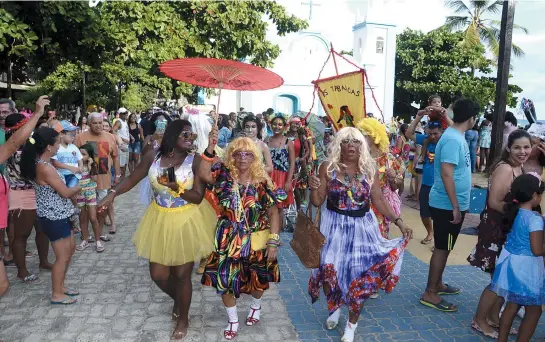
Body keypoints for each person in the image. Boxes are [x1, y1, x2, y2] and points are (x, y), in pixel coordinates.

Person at [97, 120, 217, 339]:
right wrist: (112, 193)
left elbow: (198, 198)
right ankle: (178, 300)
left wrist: (177, 188)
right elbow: (132, 178)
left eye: (192, 134)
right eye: (185, 134)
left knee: (182, 275)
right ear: (172, 135)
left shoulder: (195, 160)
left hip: (186, 219)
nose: (190, 137)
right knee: (158, 275)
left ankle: (183, 318)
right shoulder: (154, 157)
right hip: (159, 218)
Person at [307, 127, 413, 342]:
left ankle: (351, 326)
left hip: (362, 230)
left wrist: (399, 222)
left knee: (359, 278)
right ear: (339, 145)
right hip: (333, 228)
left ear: (362, 146)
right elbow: (317, 202)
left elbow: (379, 201)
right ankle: (334, 307)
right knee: (329, 272)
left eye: (355, 142)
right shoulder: (328, 168)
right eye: (346, 141)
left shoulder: (369, 169)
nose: (351, 146)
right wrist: (313, 187)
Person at [199, 136, 287, 341]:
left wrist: (273, 240)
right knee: (225, 279)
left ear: (255, 157)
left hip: (257, 235)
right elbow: (204, 174)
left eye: (248, 154)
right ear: (231, 156)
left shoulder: (262, 180)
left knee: (258, 279)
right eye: (238, 153)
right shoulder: (224, 176)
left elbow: (274, 212)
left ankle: (256, 307)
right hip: (228, 236)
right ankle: (233, 320)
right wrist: (210, 149)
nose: (243, 158)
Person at [468, 129, 531, 338]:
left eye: (526, 147)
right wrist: (523, 212)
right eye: (517, 147)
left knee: (505, 277)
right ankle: (479, 319)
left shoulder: (519, 167)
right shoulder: (505, 168)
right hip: (497, 229)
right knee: (498, 279)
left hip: (508, 228)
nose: (522, 151)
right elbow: (494, 202)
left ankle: (494, 318)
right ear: (508, 148)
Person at [420, 98, 479, 312]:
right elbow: (446, 174)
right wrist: (455, 205)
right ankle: (430, 292)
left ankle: (438, 284)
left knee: (446, 245)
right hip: (447, 205)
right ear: (472, 118)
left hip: (452, 204)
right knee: (442, 248)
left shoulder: (456, 135)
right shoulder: (453, 139)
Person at [20, 127, 80, 304]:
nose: (59, 146)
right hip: (53, 216)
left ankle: (61, 286)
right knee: (62, 256)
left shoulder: (44, 163)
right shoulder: (44, 168)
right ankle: (56, 293)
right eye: (56, 142)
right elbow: (66, 193)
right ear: (48, 146)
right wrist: (78, 186)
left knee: (69, 250)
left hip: (60, 213)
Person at [0, 95, 50, 297]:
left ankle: (44, 261)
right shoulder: (15, 149)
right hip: (21, 194)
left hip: (36, 192)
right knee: (21, 234)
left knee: (42, 229)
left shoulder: (28, 145)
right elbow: (29, 168)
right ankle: (21, 270)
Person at [490, 173, 545, 342]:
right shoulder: (535, 219)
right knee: (534, 310)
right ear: (535, 196)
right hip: (527, 268)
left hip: (511, 265)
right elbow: (537, 250)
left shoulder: (514, 212)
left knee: (512, 305)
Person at [75, 112, 120, 250]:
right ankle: (85, 236)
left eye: (100, 123)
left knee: (102, 209)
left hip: (104, 180)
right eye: (95, 123)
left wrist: (117, 175)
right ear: (89, 124)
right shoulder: (80, 137)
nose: (98, 125)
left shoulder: (110, 137)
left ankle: (98, 234)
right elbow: (75, 158)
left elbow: (115, 157)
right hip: (85, 182)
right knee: (84, 211)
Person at [357, 118, 405, 238]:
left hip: (378, 209)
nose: (360, 139)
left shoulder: (387, 159)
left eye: (364, 135)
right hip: (357, 208)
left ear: (375, 137)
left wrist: (394, 178)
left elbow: (398, 186)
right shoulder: (356, 158)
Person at [405, 118, 447, 245]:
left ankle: (440, 243)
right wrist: (418, 116)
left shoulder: (447, 141)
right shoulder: (425, 140)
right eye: (430, 134)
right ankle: (430, 233)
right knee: (424, 212)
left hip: (442, 185)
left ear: (442, 132)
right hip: (426, 184)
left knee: (441, 216)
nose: (433, 136)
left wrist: (444, 115)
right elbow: (408, 134)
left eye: (436, 134)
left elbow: (457, 131)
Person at [267, 115, 296, 230]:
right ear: (270, 125)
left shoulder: (288, 142)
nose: (277, 127)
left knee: (279, 207)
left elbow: (292, 162)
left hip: (281, 178)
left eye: (280, 124)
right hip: (268, 177)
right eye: (275, 124)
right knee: (267, 205)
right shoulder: (266, 140)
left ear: (284, 127)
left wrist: (289, 181)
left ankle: (276, 235)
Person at [74, 144, 101, 252]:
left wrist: (90, 166)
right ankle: (85, 239)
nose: (81, 156)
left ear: (89, 155)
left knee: (93, 218)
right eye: (79, 154)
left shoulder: (93, 164)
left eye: (84, 154)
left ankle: (98, 240)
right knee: (82, 217)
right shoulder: (75, 165)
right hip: (79, 193)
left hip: (90, 193)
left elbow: (95, 179)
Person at [286, 117, 310, 210]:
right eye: (294, 123)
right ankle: (286, 206)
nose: (295, 125)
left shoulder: (301, 136)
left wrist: (303, 158)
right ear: (290, 124)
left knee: (295, 187)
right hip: (285, 164)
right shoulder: (285, 135)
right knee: (285, 185)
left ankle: (298, 209)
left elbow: (307, 150)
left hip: (296, 165)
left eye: (297, 124)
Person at [113, 108, 130, 179]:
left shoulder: (124, 121)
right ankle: (119, 181)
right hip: (121, 146)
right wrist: (122, 139)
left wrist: (130, 137)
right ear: (120, 114)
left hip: (126, 145)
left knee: (125, 163)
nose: (126, 114)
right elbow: (113, 131)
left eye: (126, 113)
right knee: (121, 164)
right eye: (124, 113)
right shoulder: (118, 122)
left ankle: (122, 180)